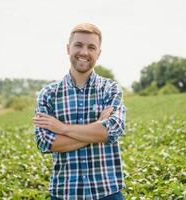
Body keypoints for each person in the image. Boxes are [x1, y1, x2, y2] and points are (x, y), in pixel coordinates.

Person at [33, 23, 127, 200]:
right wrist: (96, 130)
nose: (84, 52)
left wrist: (62, 128)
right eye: (78, 45)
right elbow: (45, 142)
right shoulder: (49, 94)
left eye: (91, 47)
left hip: (107, 192)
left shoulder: (111, 89)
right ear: (68, 48)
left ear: (98, 53)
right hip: (64, 193)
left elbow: (112, 130)